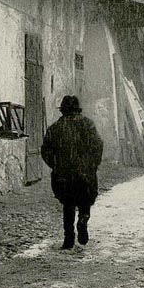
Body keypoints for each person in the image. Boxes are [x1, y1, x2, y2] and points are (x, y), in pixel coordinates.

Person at [41, 95, 104, 249]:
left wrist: (56, 165)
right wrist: (92, 165)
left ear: (62, 109)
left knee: (68, 205)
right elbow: (98, 145)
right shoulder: (87, 124)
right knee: (85, 201)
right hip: (84, 173)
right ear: (78, 109)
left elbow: (45, 150)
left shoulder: (55, 128)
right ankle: (83, 219)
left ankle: (68, 238)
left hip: (63, 175)